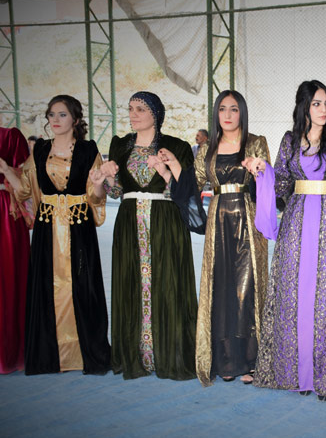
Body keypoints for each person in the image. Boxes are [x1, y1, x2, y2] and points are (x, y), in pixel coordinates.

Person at [249, 80, 326, 401]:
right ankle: (295, 374)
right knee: (293, 296)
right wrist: (263, 172)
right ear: (304, 107)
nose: (324, 109)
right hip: (295, 225)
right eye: (316, 104)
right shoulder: (289, 140)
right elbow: (282, 183)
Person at [163, 90, 270, 386]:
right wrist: (172, 166)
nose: (228, 115)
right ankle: (226, 360)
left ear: (242, 112)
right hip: (218, 222)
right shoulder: (208, 148)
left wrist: (260, 170)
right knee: (221, 290)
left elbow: (268, 183)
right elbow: (193, 183)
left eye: (234, 109)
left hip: (249, 222)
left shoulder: (256, 143)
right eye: (222, 109)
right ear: (216, 113)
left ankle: (251, 360)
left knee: (247, 290)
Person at [0, 95, 111, 375]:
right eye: (51, 114)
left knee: (83, 285)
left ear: (75, 119)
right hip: (47, 228)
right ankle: (51, 355)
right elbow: (25, 190)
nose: (56, 120)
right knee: (47, 286)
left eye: (62, 114)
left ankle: (84, 354)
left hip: (79, 227)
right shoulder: (39, 150)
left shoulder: (88, 150)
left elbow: (95, 195)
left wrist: (99, 184)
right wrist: (6, 171)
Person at [100, 91, 198, 380]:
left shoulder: (176, 146)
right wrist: (107, 177)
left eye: (140, 109)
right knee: (131, 280)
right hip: (129, 222)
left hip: (166, 222)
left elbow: (186, 192)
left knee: (168, 282)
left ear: (156, 114)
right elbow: (117, 192)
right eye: (131, 108)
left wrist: (167, 170)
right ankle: (136, 355)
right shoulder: (120, 145)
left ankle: (169, 353)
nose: (133, 114)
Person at [0, 127, 30, 373]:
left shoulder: (10, 137)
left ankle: (10, 350)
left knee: (9, 277)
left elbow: (25, 181)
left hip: (5, 213)